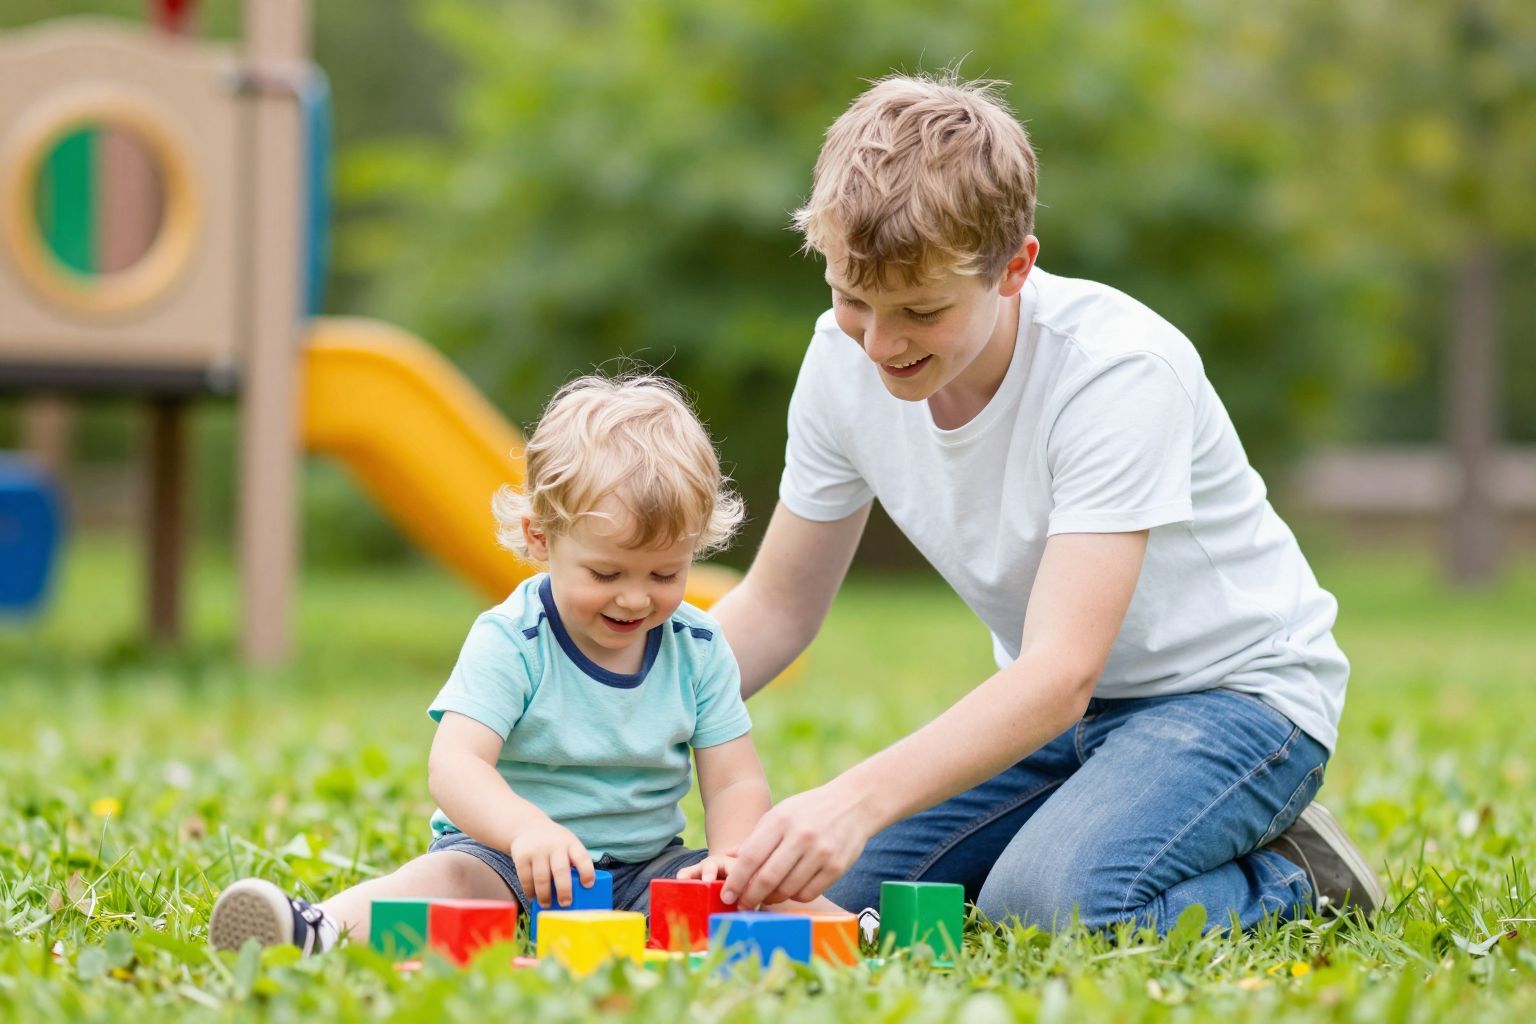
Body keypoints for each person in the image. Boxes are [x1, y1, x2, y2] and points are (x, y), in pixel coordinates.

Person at [707, 72, 1384, 933]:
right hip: (1061, 717)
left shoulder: (1117, 371)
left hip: (1233, 701)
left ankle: (1295, 881)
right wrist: (610, 709)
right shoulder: (841, 364)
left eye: (920, 309)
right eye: (851, 298)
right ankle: (1102, 807)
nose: (880, 343)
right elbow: (775, 607)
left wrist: (852, 799)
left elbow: (1061, 671)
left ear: (1015, 267)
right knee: (827, 901)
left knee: (1052, 904)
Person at [210, 374, 828, 955]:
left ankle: (860, 931)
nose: (636, 597)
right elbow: (456, 764)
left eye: (666, 573)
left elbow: (735, 781)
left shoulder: (697, 645)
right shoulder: (513, 639)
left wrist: (728, 855)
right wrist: (525, 830)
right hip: (502, 861)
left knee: (767, 895)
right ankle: (317, 930)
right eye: (606, 573)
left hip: (647, 869)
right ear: (540, 539)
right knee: (443, 879)